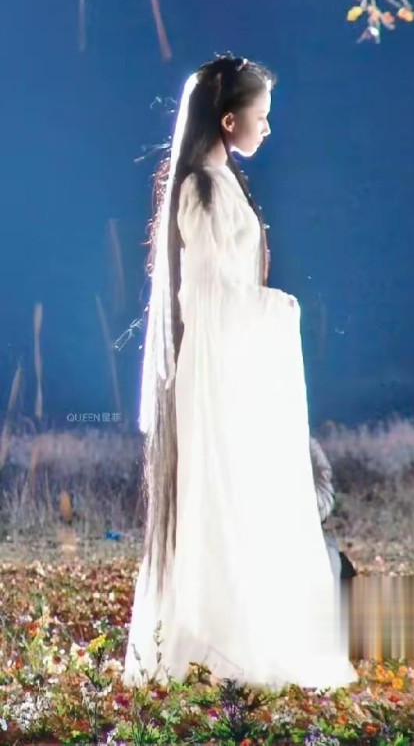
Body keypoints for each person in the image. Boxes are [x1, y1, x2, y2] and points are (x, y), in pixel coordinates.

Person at [122, 53, 358, 691]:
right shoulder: (200, 187)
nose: (269, 127)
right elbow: (206, 294)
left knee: (243, 494)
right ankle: (215, 646)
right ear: (230, 120)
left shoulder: (222, 182)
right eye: (263, 115)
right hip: (214, 370)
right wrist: (276, 307)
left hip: (232, 364)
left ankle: (246, 638)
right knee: (221, 495)